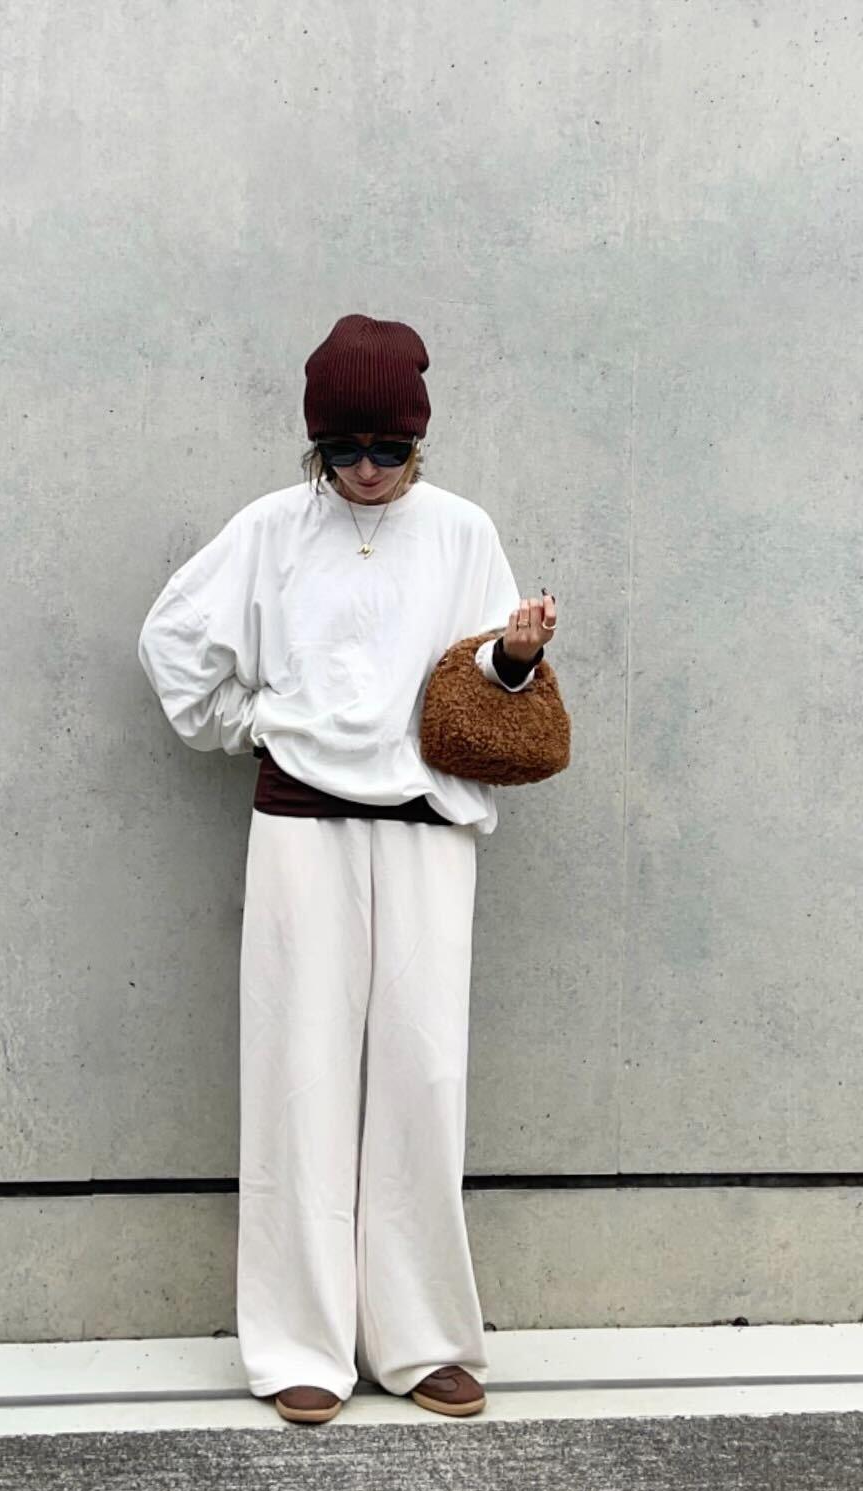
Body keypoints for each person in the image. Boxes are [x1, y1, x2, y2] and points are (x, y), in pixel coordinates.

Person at [136, 313, 559, 1425]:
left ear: (421, 441)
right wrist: (255, 722)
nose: (366, 471)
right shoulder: (272, 528)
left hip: (426, 826)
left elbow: (483, 684)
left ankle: (421, 1340)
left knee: (424, 1073)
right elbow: (173, 642)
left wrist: (515, 658)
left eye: (389, 449)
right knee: (298, 1070)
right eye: (342, 450)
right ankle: (299, 1342)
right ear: (314, 444)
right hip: (301, 826)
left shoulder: (462, 530)